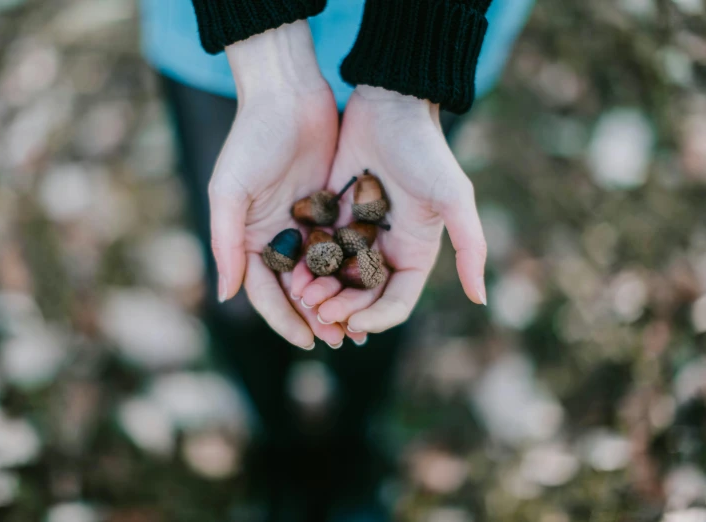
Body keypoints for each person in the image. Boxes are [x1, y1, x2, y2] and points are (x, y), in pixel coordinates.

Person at [141, 1, 534, 520]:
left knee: (373, 308)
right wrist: (269, 58)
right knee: (237, 287)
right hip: (225, 29)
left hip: (436, 31)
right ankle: (278, 446)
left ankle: (353, 445)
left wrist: (409, 83)